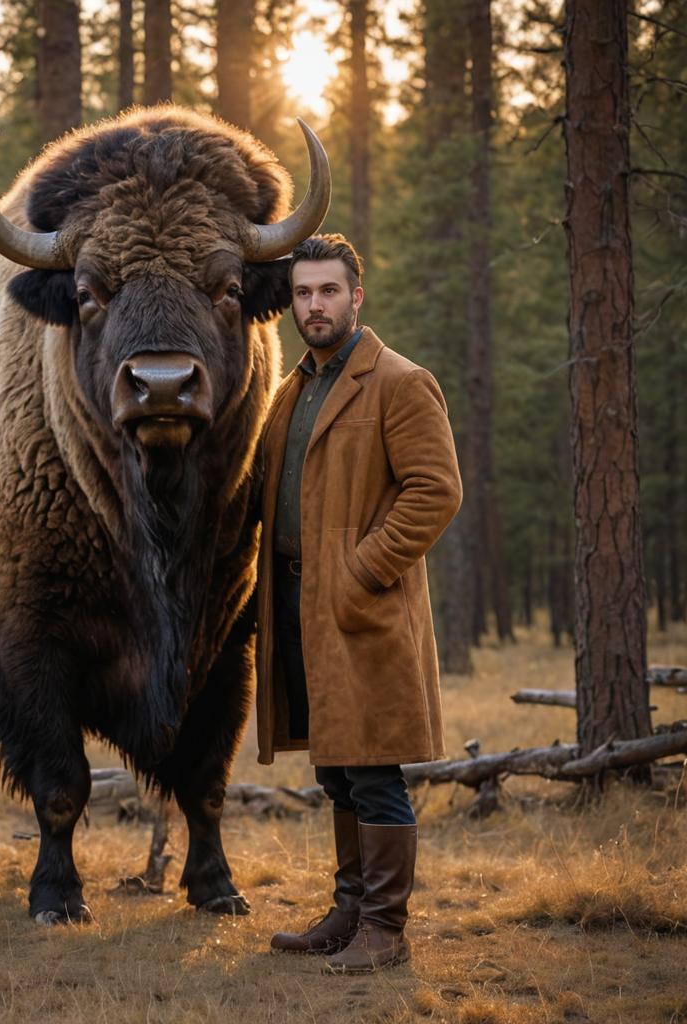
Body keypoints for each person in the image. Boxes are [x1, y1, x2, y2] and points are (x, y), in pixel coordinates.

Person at [255, 234, 462, 974]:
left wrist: (360, 568)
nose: (315, 305)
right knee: (335, 767)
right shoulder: (293, 390)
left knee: (374, 769)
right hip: (296, 606)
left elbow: (436, 490)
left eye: (329, 291)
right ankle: (348, 911)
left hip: (360, 608)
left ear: (355, 298)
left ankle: (386, 929)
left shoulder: (400, 382)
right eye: (304, 293)